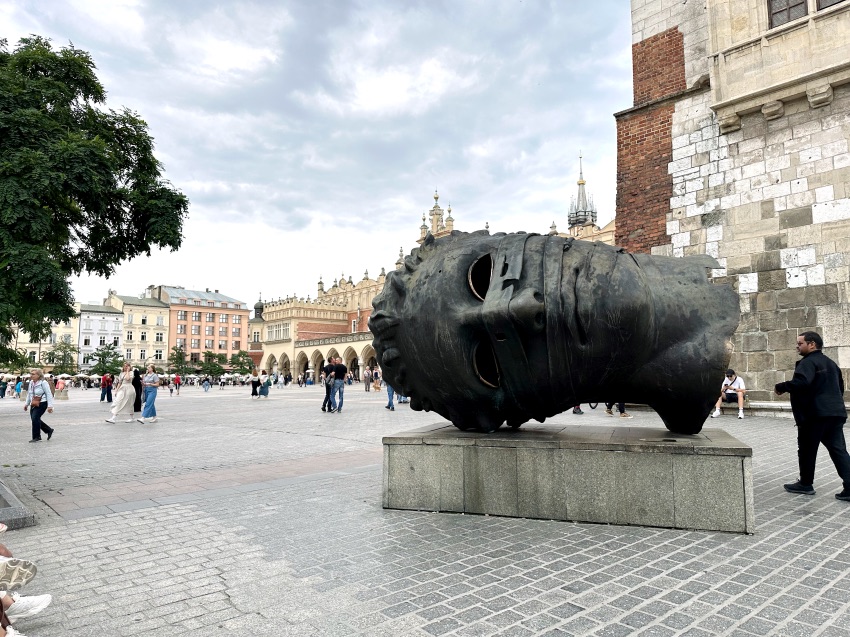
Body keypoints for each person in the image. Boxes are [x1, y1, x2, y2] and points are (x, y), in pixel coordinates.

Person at [775, 331, 850, 500]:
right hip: (835, 413)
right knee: (838, 450)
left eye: (800, 343)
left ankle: (805, 483)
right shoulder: (831, 364)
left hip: (814, 415)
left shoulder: (807, 363)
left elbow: (802, 382)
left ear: (812, 344)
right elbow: (840, 388)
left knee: (807, 450)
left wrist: (782, 386)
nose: (797, 346)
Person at [23, 369, 54, 443]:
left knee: (35, 418)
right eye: (31, 374)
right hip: (34, 403)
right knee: (35, 419)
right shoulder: (31, 382)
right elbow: (29, 394)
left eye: (33, 374)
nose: (31, 375)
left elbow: (48, 394)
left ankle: (36, 437)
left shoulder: (43, 382)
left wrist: (50, 406)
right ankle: (48, 430)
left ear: (39, 375)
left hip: (42, 403)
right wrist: (26, 404)